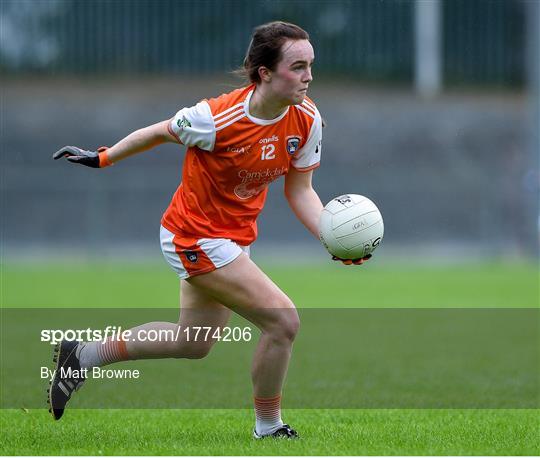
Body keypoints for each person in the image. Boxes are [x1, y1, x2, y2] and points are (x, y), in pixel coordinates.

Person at [48, 21, 371, 439]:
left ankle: (82, 355)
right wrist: (103, 158)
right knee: (283, 321)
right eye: (298, 66)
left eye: (311, 65)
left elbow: (301, 191)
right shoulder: (215, 118)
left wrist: (332, 237)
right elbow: (158, 132)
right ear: (265, 73)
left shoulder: (307, 120)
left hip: (232, 239)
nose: (309, 76)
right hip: (192, 235)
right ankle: (269, 427)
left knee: (192, 342)